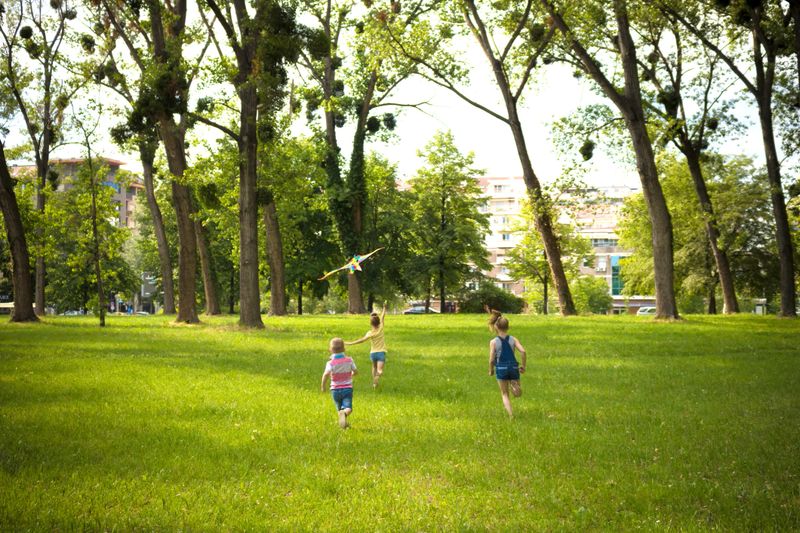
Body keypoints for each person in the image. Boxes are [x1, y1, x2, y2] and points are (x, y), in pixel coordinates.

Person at [487, 309, 527, 418]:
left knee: (505, 394)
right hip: (514, 366)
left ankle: (511, 416)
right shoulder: (513, 339)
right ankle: (514, 385)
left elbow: (491, 359)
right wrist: (523, 366)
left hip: (501, 367)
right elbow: (523, 351)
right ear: (508, 327)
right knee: (518, 395)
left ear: (496, 327)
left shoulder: (494, 342)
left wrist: (491, 370)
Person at [345, 304, 387, 388]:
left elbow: (361, 340)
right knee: (380, 370)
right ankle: (377, 378)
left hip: (373, 353)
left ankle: (374, 383)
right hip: (381, 352)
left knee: (374, 367)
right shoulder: (381, 328)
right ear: (378, 322)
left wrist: (349, 343)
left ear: (371, 324)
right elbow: (382, 316)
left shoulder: (370, 333)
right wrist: (384, 308)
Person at [321, 337, 358, 429]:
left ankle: (344, 424)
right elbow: (355, 371)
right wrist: (353, 374)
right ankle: (345, 414)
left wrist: (323, 386)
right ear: (344, 349)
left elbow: (326, 374)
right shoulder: (349, 360)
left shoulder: (330, 363)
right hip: (347, 389)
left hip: (335, 390)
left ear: (330, 350)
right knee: (348, 408)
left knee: (339, 409)